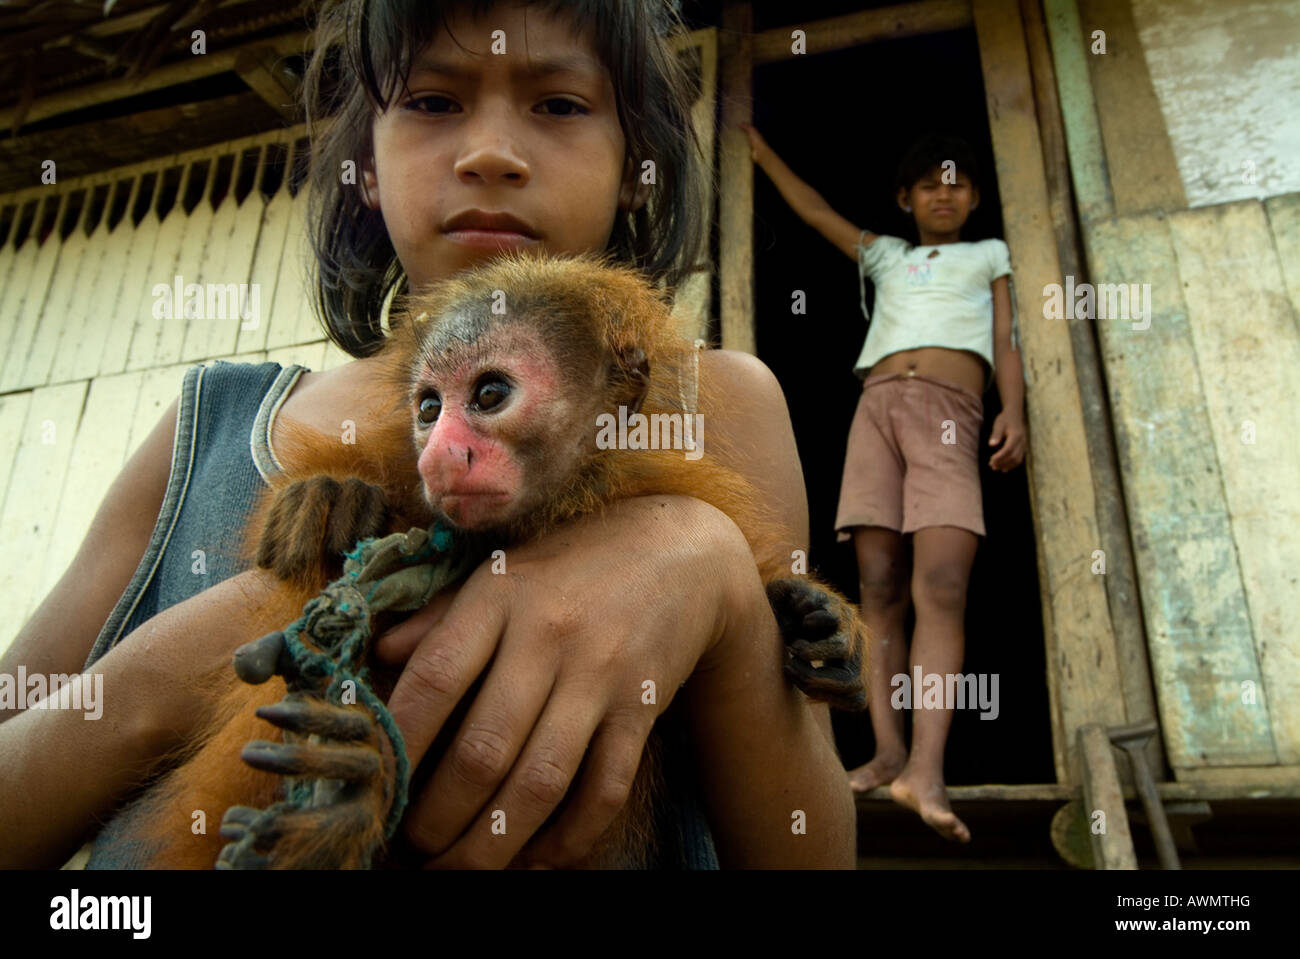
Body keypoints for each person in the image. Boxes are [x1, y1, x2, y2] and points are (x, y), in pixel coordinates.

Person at [0, 1, 855, 869]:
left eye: (558, 104)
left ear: (638, 168)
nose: (489, 154)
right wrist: (164, 681)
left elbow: (812, 852)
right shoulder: (208, 425)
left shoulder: (713, 403)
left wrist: (716, 577)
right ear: (364, 169)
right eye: (432, 102)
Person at [742, 124, 1027, 842]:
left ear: (976, 198)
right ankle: (887, 751)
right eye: (930, 181)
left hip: (949, 410)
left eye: (957, 181)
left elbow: (1006, 339)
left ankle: (926, 770)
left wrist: (1014, 411)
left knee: (943, 586)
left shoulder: (991, 253)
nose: (944, 190)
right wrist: (761, 148)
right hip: (876, 408)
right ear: (906, 198)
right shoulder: (890, 256)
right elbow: (812, 212)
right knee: (877, 585)